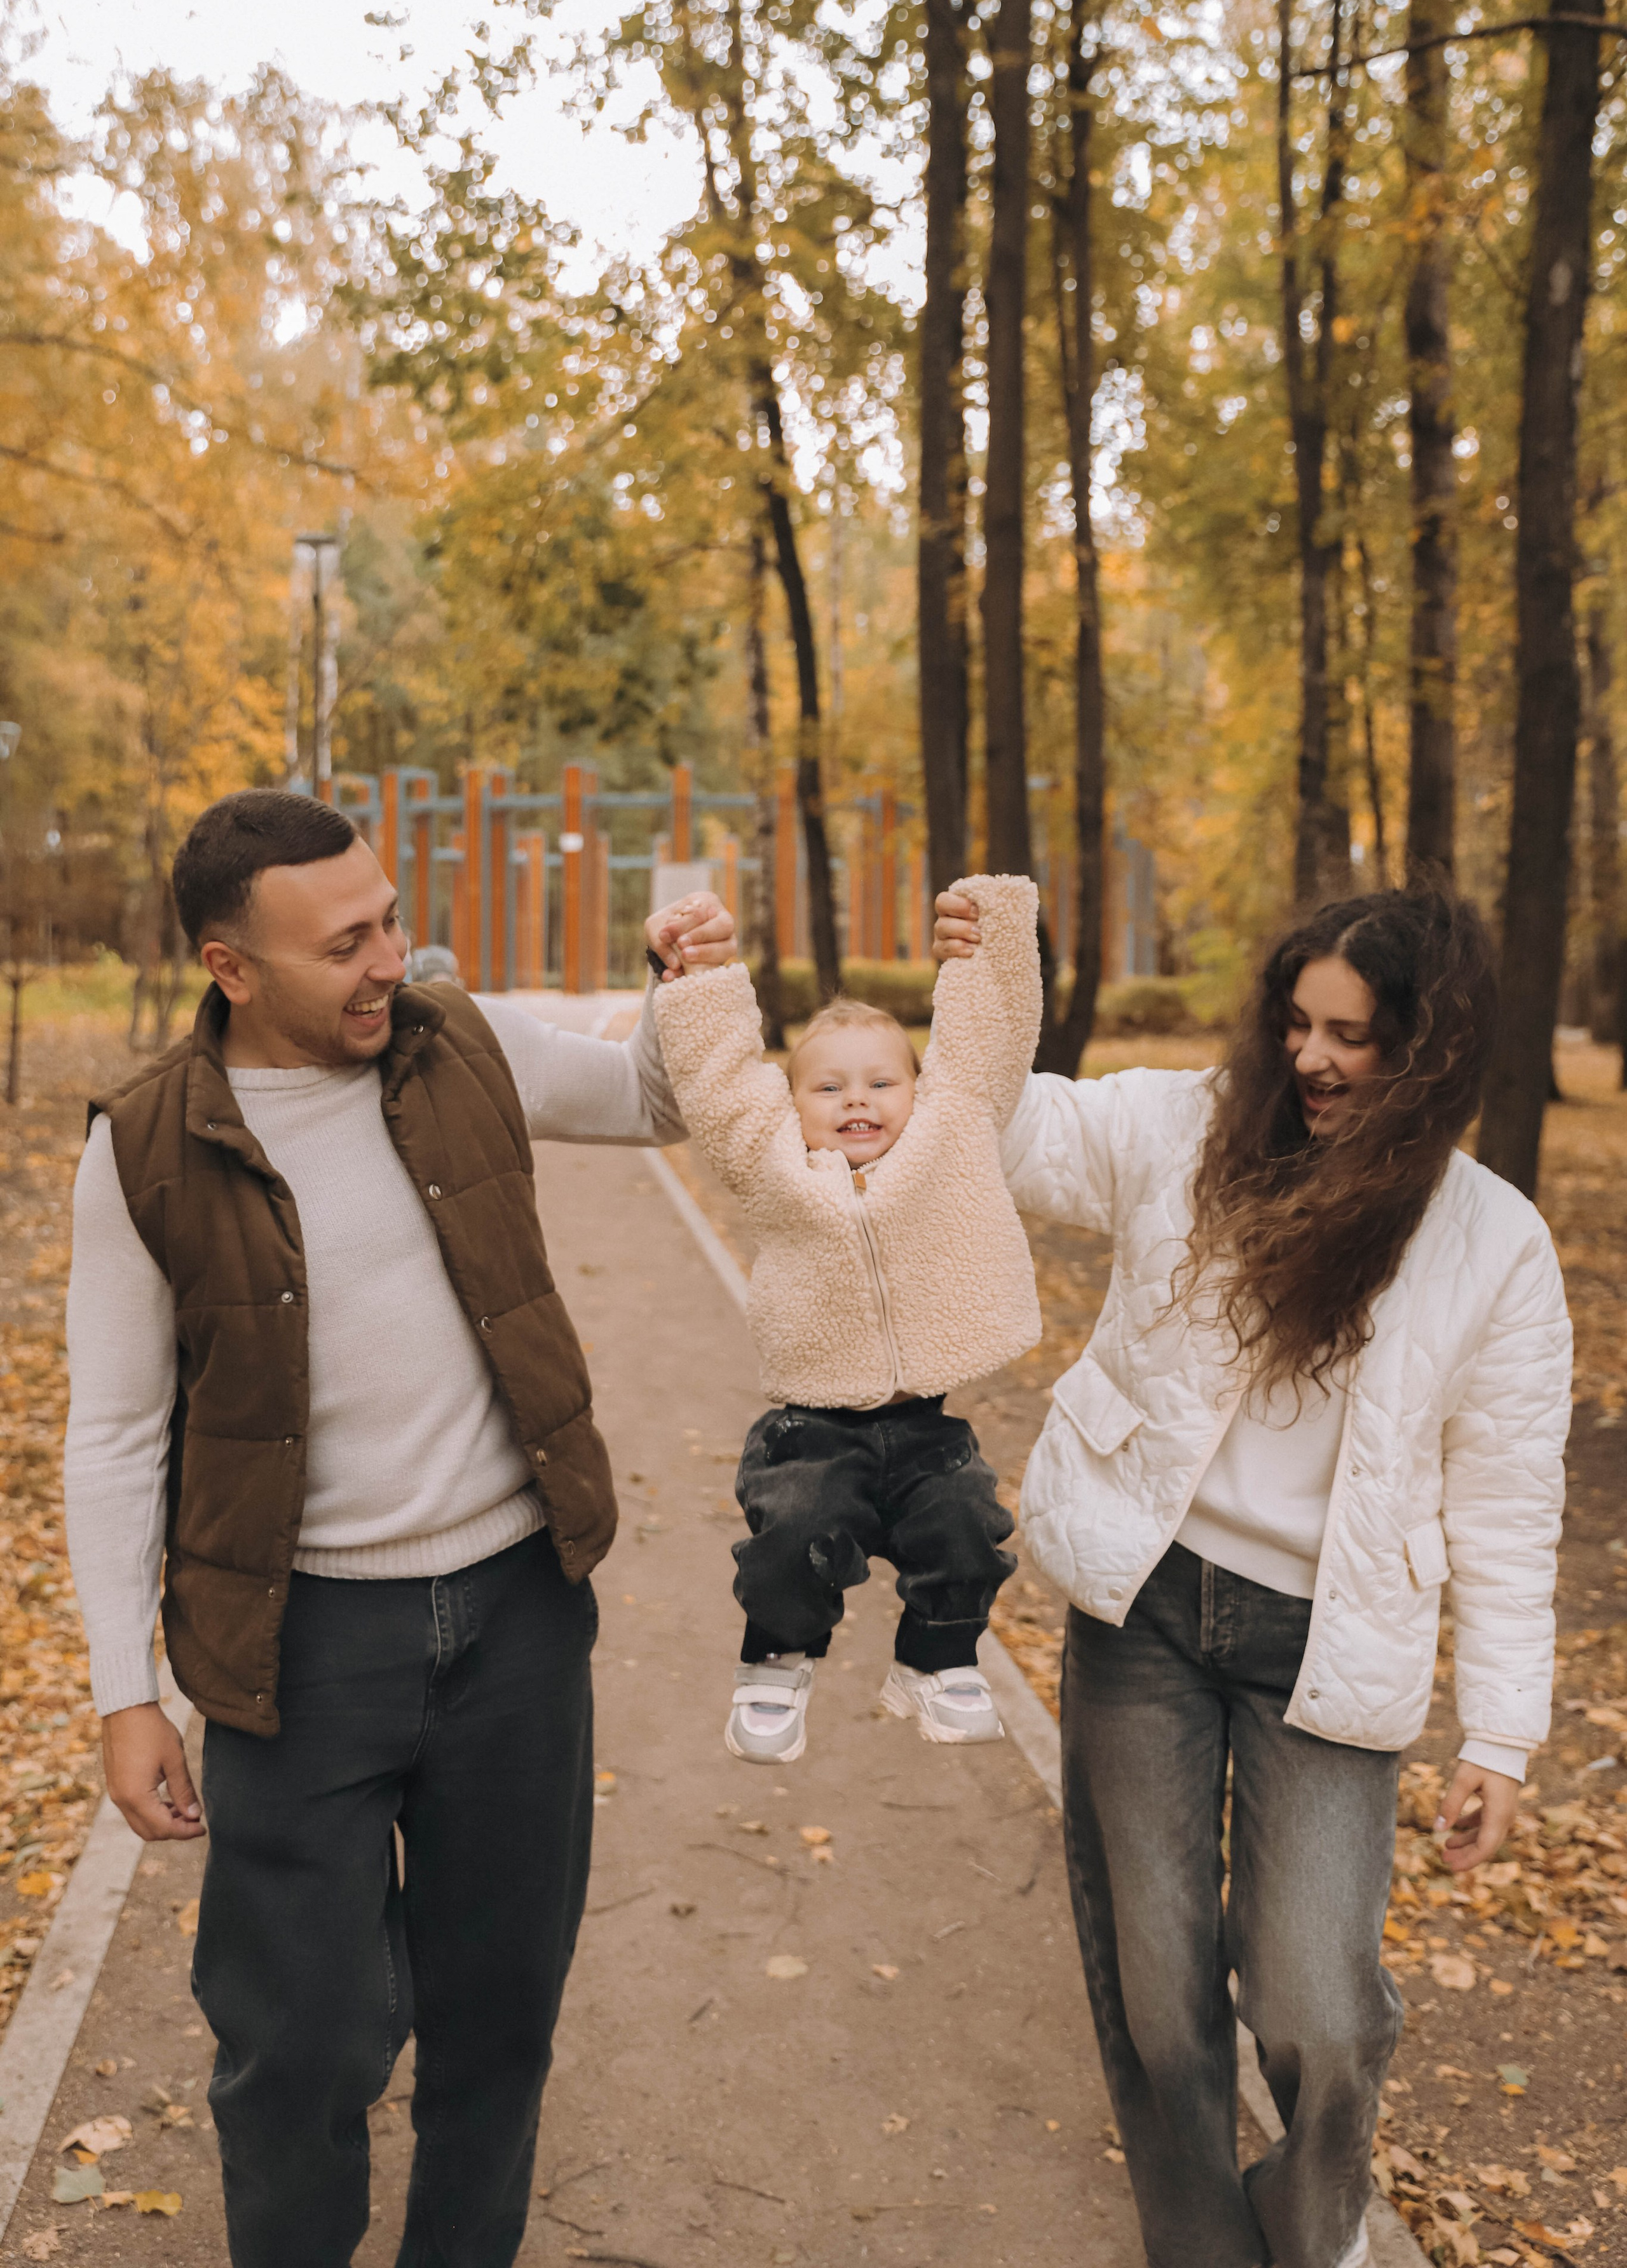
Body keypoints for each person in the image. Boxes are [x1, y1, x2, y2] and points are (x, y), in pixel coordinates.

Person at [64, 788, 735, 2268]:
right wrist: (127, 1694)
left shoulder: (457, 1039)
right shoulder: (148, 1145)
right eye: (345, 943)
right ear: (232, 968)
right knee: (297, 2050)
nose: (390, 959)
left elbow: (660, 1101)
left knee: (497, 2029)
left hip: (515, 1620)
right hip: (296, 1652)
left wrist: (690, 987)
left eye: (389, 920)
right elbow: (111, 1436)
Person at [934, 883, 1570, 2268]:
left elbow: (1512, 1503)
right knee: (1160, 2003)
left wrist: (1504, 1735)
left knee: (1315, 2009)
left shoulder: (1493, 1243)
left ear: (1430, 1054)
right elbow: (1009, 1130)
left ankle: (1311, 2225)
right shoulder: (1184, 1132)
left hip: (1326, 1645)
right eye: (1295, 1023)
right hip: (1145, 1611)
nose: (1311, 1060)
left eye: (1352, 1036)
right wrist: (986, 989)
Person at [651, 873, 1042, 1761]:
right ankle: (775, 1666)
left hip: (921, 1422)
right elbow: (719, 1089)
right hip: (812, 1427)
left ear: (918, 1090)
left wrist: (996, 930)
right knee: (798, 1535)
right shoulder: (774, 1165)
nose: (856, 1100)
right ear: (793, 1109)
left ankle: (937, 1663)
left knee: (968, 1526)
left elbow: (988, 1042)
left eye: (879, 1083)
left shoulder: (950, 1137)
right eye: (828, 1089)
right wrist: (702, 983)